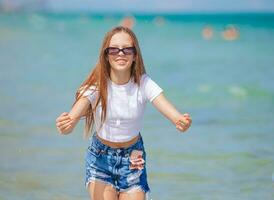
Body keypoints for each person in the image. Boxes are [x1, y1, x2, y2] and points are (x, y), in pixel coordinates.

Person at [55, 26, 192, 200]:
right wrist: (67, 125)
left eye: (127, 49)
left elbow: (172, 113)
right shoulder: (96, 85)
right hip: (100, 159)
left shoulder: (143, 83)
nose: (121, 53)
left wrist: (180, 121)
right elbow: (72, 119)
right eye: (114, 50)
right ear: (106, 55)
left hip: (133, 158)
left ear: (135, 55)